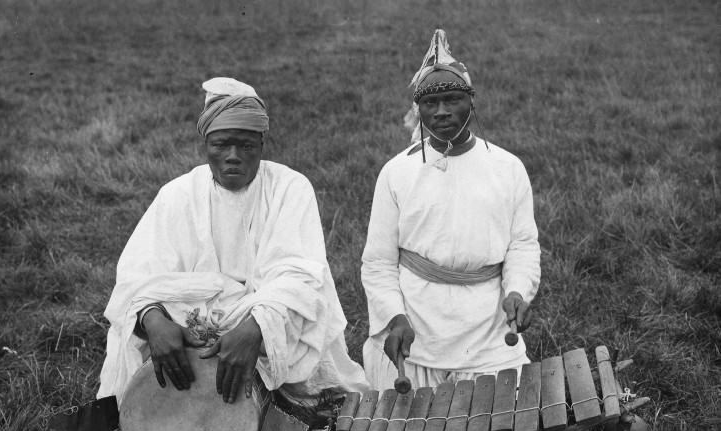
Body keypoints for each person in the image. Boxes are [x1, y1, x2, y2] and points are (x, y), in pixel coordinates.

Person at [97, 77, 369, 406]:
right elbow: (138, 273)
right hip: (191, 322)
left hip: (263, 319)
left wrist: (257, 327)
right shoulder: (178, 195)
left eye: (246, 145)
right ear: (206, 144)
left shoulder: (289, 188)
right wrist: (153, 320)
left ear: (262, 144)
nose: (233, 156)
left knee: (304, 308)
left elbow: (300, 276)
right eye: (221, 145)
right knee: (136, 334)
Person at [361, 30, 541, 390]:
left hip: (487, 326)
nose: (442, 111)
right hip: (417, 324)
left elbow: (522, 246)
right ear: (418, 109)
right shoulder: (396, 172)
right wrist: (395, 318)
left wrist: (517, 292)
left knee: (504, 417)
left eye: (453, 100)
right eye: (431, 103)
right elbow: (378, 263)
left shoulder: (507, 168)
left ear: (471, 103)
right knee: (404, 421)